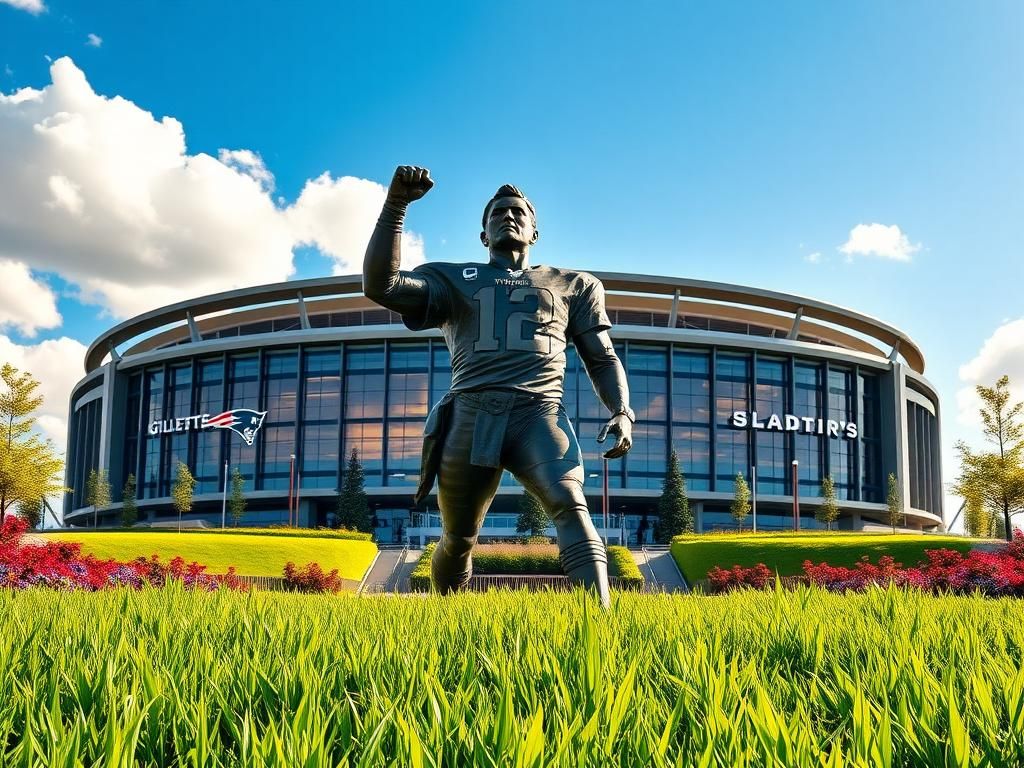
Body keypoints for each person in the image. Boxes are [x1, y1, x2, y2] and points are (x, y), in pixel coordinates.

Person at [363, 166, 633, 607]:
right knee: (458, 536)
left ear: (535, 231)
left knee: (571, 503)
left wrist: (622, 410)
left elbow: (601, 356)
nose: (509, 216)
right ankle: (446, 622)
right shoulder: (452, 279)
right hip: (470, 413)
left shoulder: (575, 285)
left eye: (518, 212)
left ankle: (600, 623)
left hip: (539, 413)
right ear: (483, 235)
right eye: (497, 213)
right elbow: (381, 285)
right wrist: (396, 206)